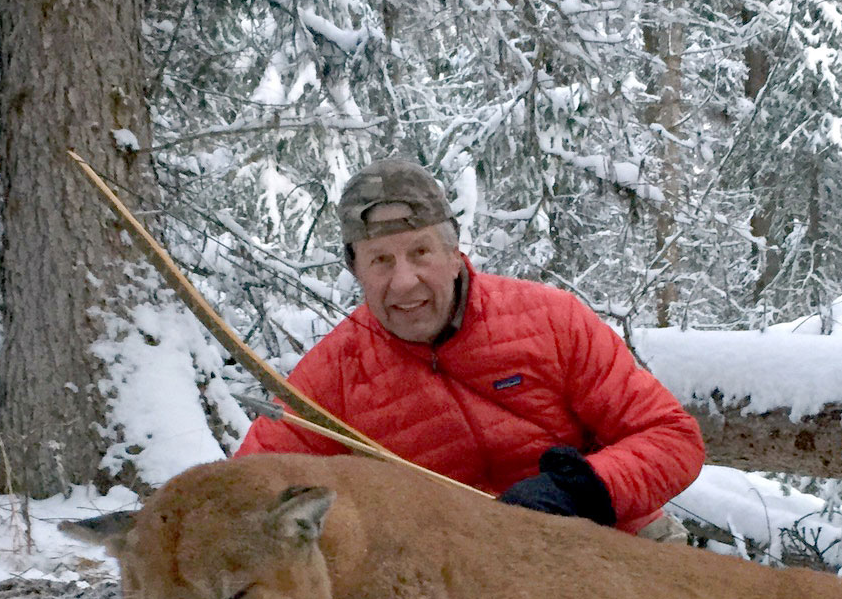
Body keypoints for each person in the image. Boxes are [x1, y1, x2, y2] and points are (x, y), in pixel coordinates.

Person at [235, 157, 704, 539]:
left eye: (420, 252)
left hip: (608, 543)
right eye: (380, 260)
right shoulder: (333, 375)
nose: (403, 281)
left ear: (455, 254)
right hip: (458, 588)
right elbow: (244, 494)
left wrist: (583, 489)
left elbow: (672, 438)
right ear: (356, 270)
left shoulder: (550, 320)